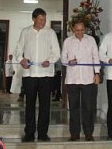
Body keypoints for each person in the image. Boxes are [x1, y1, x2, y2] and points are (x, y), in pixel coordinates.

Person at [14, 8, 61, 142]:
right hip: (29, 74)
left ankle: (42, 133)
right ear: (33, 19)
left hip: (46, 74)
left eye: (44, 19)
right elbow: (18, 49)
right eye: (41, 19)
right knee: (29, 105)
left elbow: (56, 52)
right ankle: (29, 133)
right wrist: (20, 60)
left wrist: (49, 61)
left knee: (45, 105)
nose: (43, 22)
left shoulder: (50, 33)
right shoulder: (25, 32)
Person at [61, 20, 101, 141]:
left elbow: (96, 57)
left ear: (85, 29)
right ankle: (74, 133)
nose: (80, 32)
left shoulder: (91, 40)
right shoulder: (68, 41)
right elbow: (62, 58)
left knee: (88, 107)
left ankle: (88, 133)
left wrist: (97, 73)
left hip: (88, 79)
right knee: (73, 108)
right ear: (73, 30)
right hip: (72, 80)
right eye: (77, 30)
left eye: (82, 30)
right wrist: (69, 62)